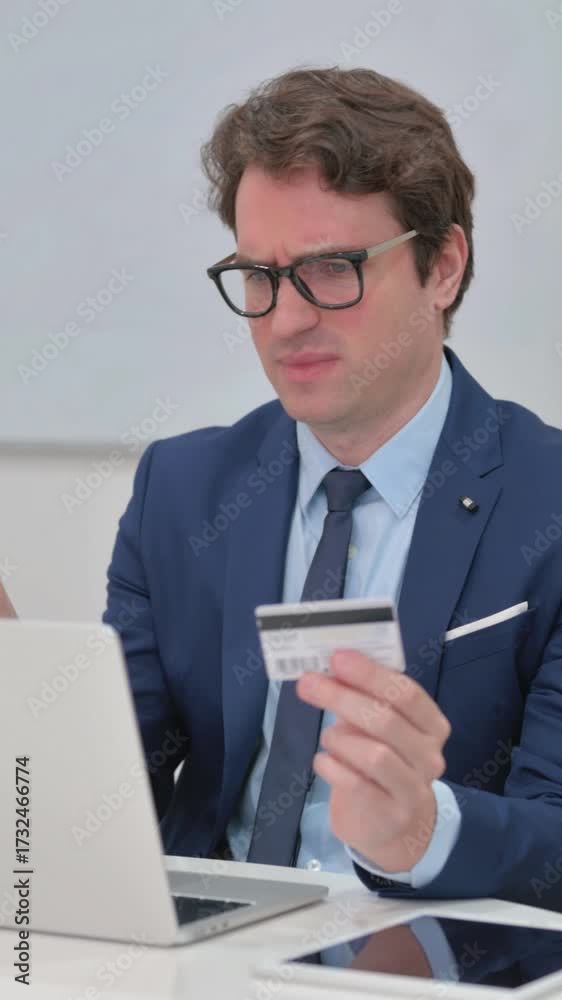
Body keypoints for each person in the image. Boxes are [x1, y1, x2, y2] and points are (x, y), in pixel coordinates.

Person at [103, 65, 562, 906]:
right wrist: (25, 720)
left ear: (443, 266)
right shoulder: (182, 490)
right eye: (259, 276)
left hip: (437, 948)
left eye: (331, 269)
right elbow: (107, 787)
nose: (286, 321)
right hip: (207, 950)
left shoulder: (548, 502)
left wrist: (423, 832)